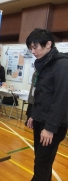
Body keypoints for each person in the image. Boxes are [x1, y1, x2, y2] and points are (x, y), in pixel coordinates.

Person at [26, 28, 68, 181]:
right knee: (41, 161)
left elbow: (61, 99)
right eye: (31, 47)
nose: (33, 51)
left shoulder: (62, 65)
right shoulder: (43, 64)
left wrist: (50, 128)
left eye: (35, 47)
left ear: (48, 44)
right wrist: (33, 115)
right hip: (40, 120)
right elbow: (40, 93)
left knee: (42, 163)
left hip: (52, 125)